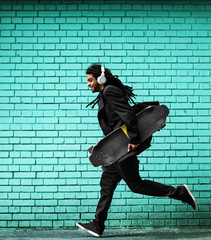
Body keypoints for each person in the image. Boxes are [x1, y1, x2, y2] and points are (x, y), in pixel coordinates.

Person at [77, 64, 198, 237]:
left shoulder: (109, 92)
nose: (88, 84)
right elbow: (118, 123)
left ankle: (180, 192)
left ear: (100, 79)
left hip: (124, 150)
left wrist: (133, 140)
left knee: (136, 185)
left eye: (90, 80)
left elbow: (128, 115)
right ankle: (98, 224)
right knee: (107, 185)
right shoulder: (107, 93)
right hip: (116, 151)